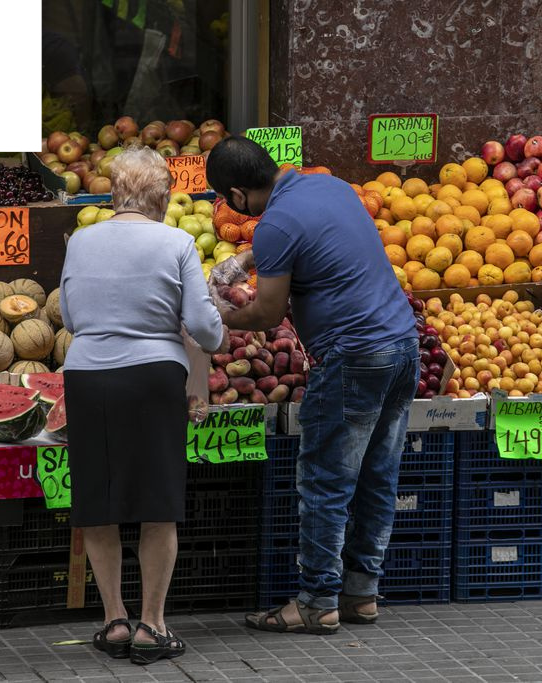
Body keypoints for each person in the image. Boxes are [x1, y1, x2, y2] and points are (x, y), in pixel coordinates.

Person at [206, 137, 419, 635]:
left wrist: (217, 314)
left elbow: (268, 311)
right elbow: (308, 236)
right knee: (377, 475)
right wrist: (247, 259)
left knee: (326, 481)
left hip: (352, 358)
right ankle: (362, 594)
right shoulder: (331, 186)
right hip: (401, 346)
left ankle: (317, 601)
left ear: (237, 195)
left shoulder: (275, 223)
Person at [59, 145, 227, 664]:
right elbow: (202, 327)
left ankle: (113, 621)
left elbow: (68, 316)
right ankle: (151, 627)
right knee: (157, 505)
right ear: (162, 195)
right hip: (153, 378)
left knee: (99, 502)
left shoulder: (81, 241)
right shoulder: (176, 241)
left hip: (86, 376)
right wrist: (214, 338)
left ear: (114, 194)